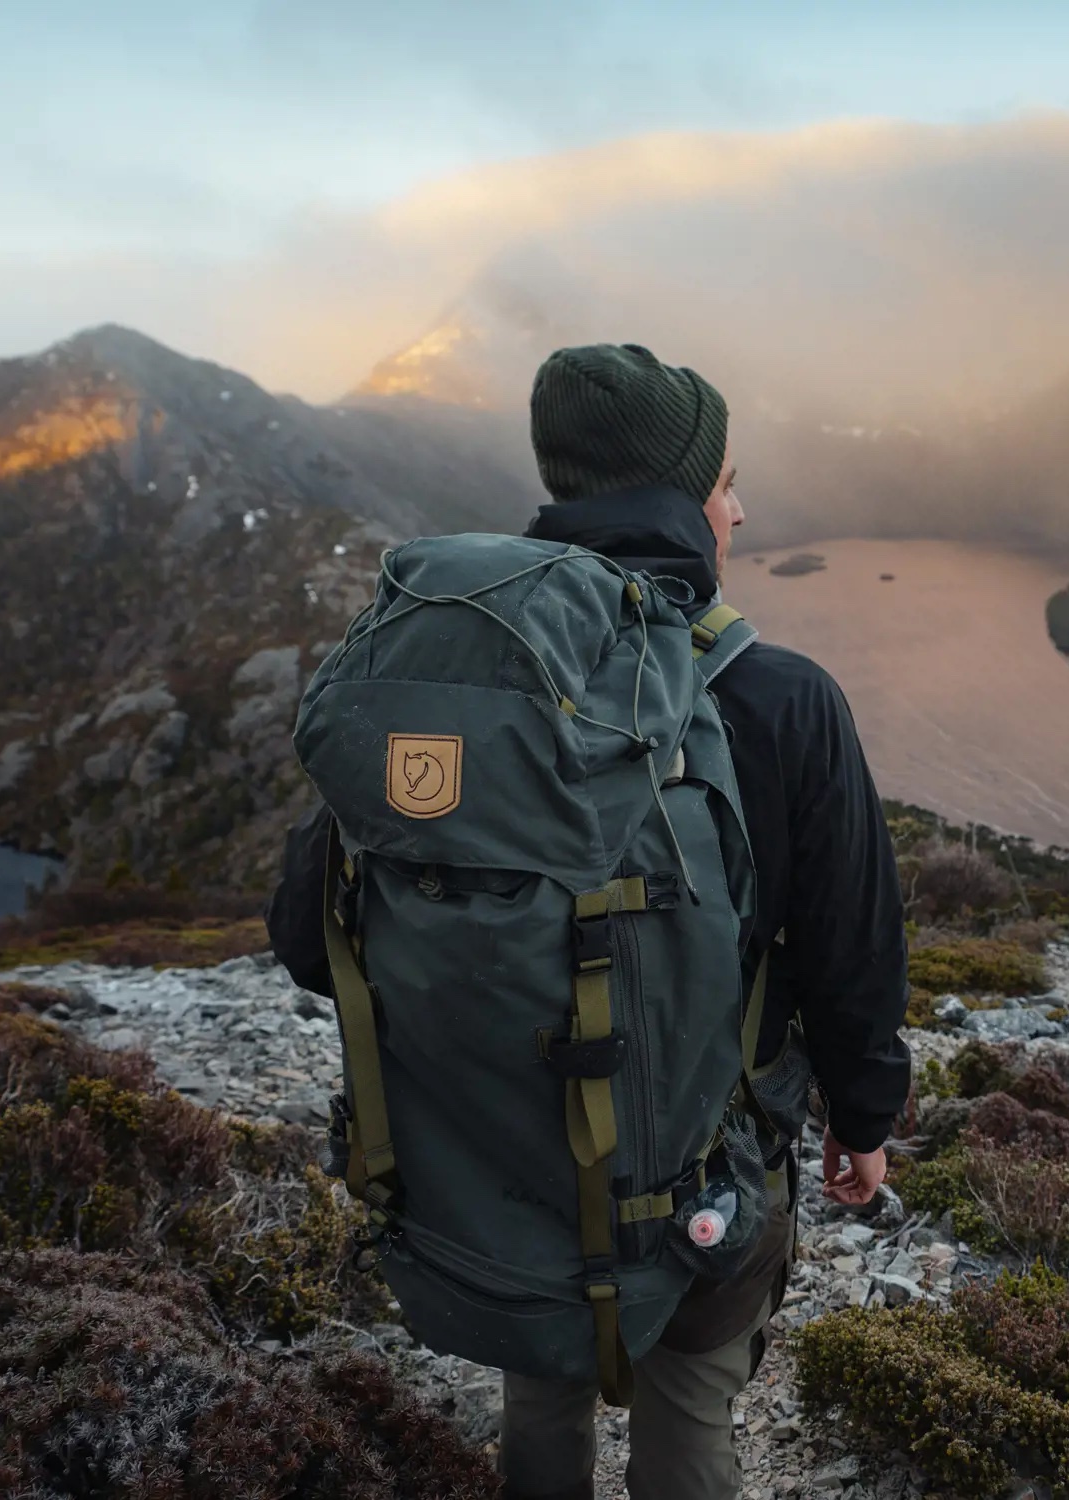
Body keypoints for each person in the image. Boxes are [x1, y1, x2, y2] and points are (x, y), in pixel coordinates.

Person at [267, 343, 910, 1500]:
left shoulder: (463, 692)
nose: (741, 508)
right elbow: (851, 949)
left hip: (498, 1160)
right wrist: (863, 1118)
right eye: (724, 485)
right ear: (679, 499)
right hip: (702, 1179)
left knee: (541, 1385)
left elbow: (309, 943)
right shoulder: (778, 697)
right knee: (689, 1422)